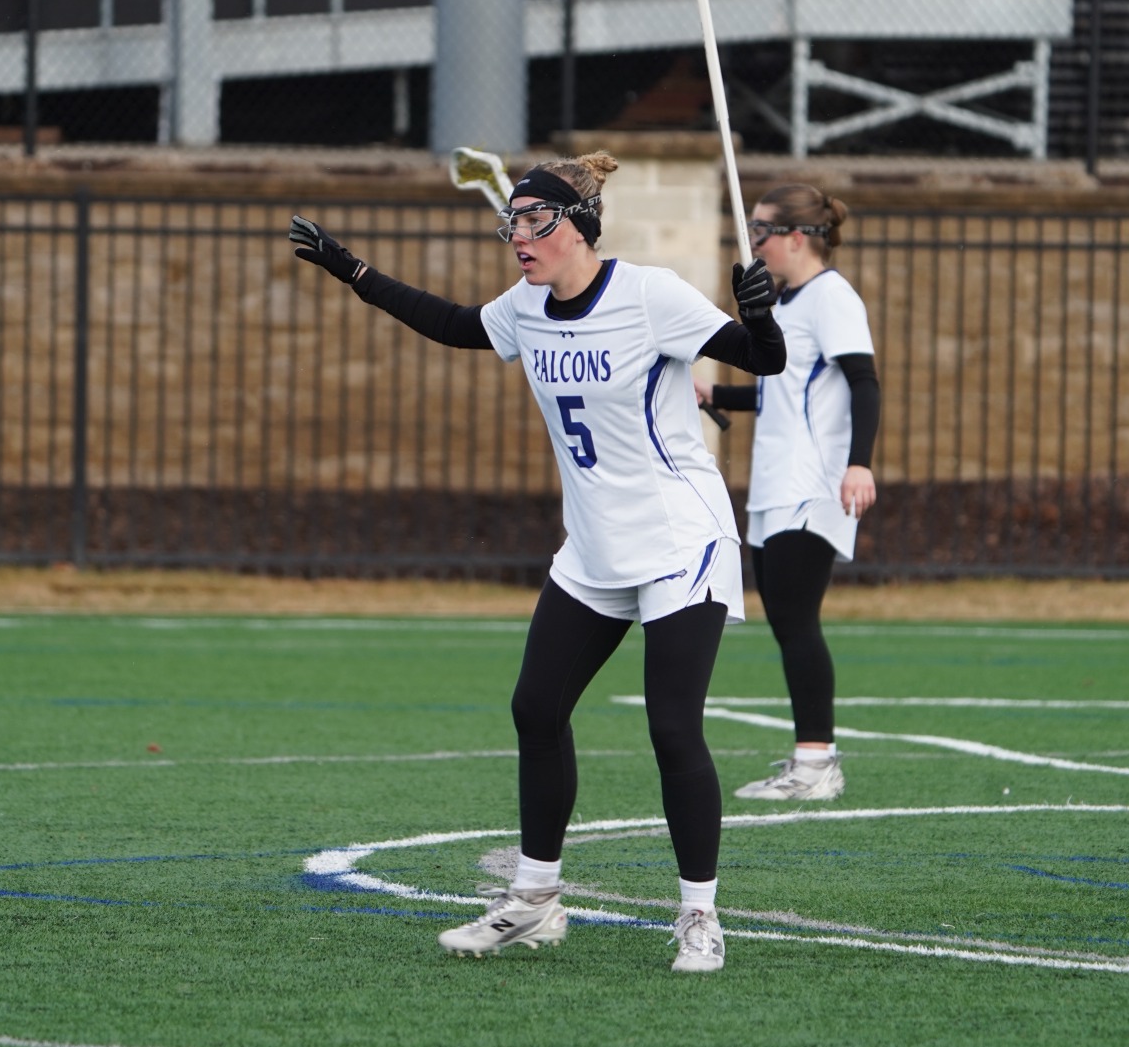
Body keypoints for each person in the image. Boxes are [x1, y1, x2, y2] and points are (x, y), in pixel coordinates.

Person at [288, 152, 785, 973]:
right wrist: (353, 269)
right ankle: (535, 900)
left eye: (533, 221)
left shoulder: (649, 294)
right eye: (510, 222)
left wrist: (760, 314)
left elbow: (762, 360)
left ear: (579, 226)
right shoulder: (525, 307)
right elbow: (450, 323)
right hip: (592, 546)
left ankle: (699, 913)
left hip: (678, 539)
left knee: (671, 728)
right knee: (536, 709)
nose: (517, 236)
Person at [695, 183, 876, 802]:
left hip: (814, 487)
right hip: (774, 488)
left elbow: (863, 383)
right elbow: (783, 392)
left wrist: (860, 465)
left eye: (762, 231)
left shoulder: (832, 299)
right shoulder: (785, 304)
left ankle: (817, 763)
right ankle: (811, 759)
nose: (754, 242)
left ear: (797, 238)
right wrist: (715, 395)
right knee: (786, 624)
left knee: (798, 622)